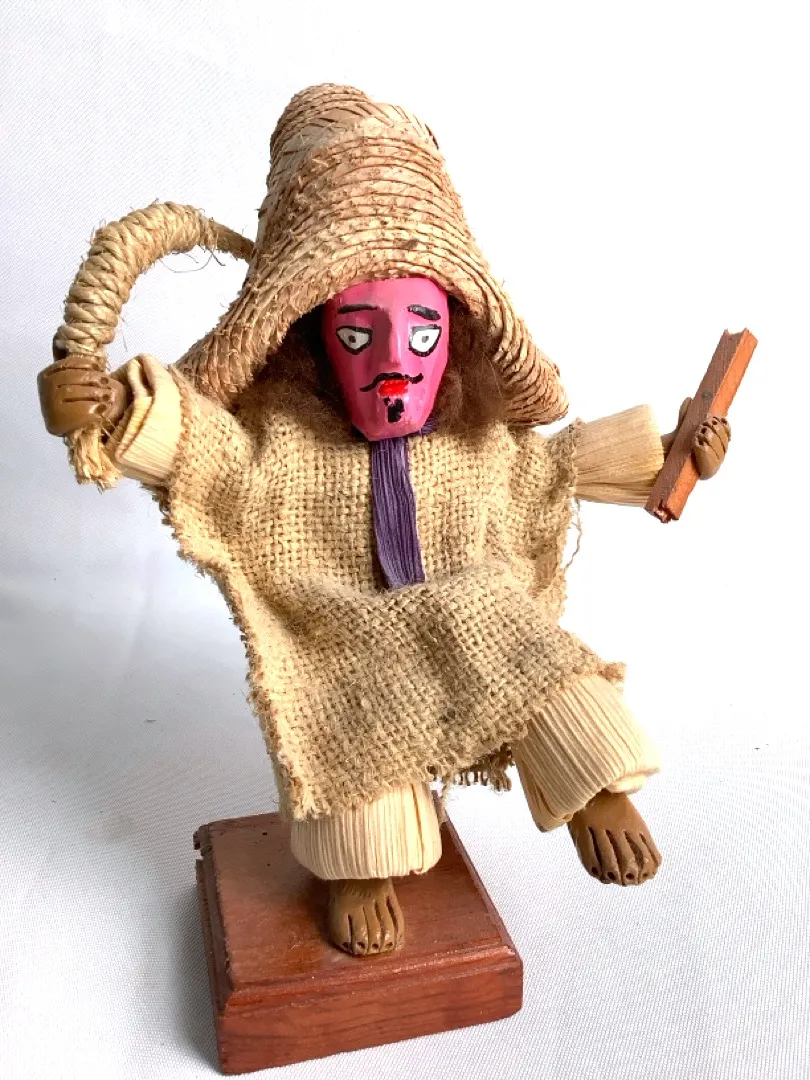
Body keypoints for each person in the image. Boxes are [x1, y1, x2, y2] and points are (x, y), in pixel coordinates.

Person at [38, 84, 730, 956]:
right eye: (359, 337)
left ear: (458, 334)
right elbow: (204, 450)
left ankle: (596, 786)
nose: (394, 365)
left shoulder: (473, 438)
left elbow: (551, 465)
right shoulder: (286, 445)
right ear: (311, 337)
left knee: (536, 653)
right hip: (342, 630)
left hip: (472, 606)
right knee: (352, 744)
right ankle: (362, 865)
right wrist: (109, 406)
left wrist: (672, 452)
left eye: (423, 335)